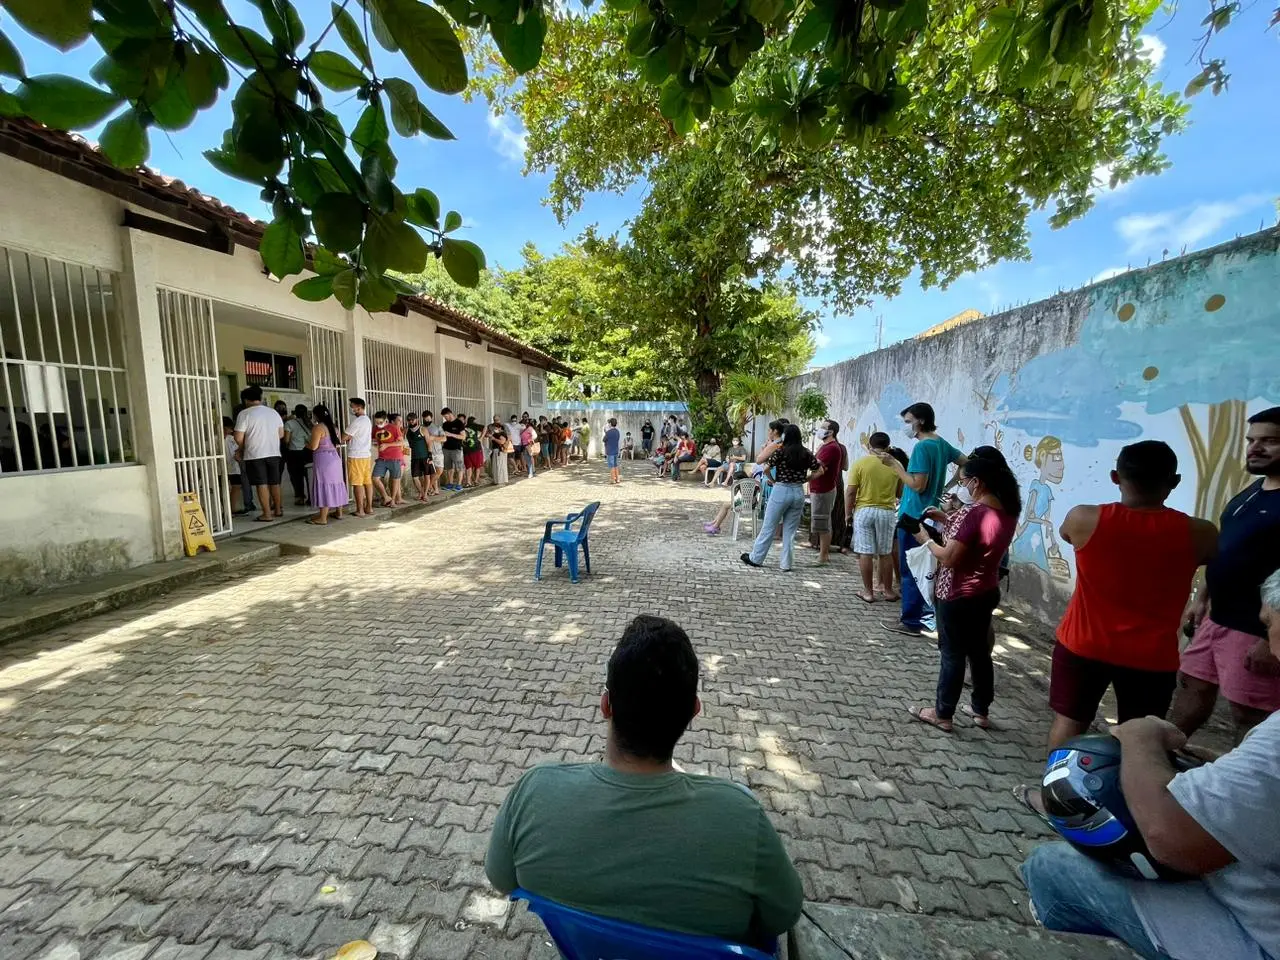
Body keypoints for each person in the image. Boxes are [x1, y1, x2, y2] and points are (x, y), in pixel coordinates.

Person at [485, 616, 803, 948]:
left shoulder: (534, 795)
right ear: (693, 712)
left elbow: (502, 878)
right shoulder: (740, 817)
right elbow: (782, 916)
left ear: (605, 705)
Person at [1020, 569, 1280, 960]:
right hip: (1146, 657)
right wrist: (1233, 764)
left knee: (1049, 865)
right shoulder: (1193, 534)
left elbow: (1172, 841)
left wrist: (1140, 735)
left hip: (1259, 939)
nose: (1268, 644)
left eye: (1269, 626)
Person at [1044, 441, 1218, 751]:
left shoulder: (1083, 519)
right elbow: (1217, 562)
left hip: (1083, 644)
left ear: (1115, 477)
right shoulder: (1200, 533)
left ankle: (1051, 797)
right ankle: (1128, 796)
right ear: (1174, 482)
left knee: (1070, 722)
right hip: (1151, 656)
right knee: (1139, 736)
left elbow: (1064, 535)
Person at [1172, 406, 1280, 744]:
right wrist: (1201, 598)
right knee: (1191, 688)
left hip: (1254, 628)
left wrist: (1269, 641)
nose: (1255, 448)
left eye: (1269, 441)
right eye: (1251, 440)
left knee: (1250, 715)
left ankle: (1246, 788)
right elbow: (1225, 549)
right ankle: (1161, 759)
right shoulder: (1252, 491)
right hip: (1216, 620)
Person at [906, 456, 1021, 732]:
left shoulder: (975, 514)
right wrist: (946, 519)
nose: (962, 485)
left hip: (958, 593)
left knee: (953, 654)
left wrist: (925, 539)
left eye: (963, 480)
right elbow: (975, 540)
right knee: (980, 653)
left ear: (977, 482)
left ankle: (943, 713)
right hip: (986, 590)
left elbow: (949, 558)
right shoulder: (1007, 511)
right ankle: (981, 709)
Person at [877, 402, 966, 636]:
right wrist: (949, 485)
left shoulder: (922, 448)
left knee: (911, 569)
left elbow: (917, 485)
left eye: (909, 421)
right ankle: (923, 616)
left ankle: (911, 621)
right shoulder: (941, 444)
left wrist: (896, 466)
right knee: (925, 568)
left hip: (913, 515)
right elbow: (966, 462)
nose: (906, 426)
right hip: (930, 513)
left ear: (921, 421)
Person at [742, 425, 824, 572]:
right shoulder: (806, 453)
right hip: (798, 491)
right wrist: (805, 479)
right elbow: (820, 470)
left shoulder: (780, 451)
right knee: (791, 530)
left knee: (769, 526)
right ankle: (786, 564)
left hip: (781, 489)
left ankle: (756, 558)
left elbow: (766, 468)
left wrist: (772, 480)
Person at [847, 431, 902, 603]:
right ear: (888, 446)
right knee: (885, 553)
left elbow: (850, 492)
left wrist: (848, 513)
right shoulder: (896, 464)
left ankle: (868, 592)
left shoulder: (861, 463)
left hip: (864, 511)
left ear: (869, 446)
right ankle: (888, 591)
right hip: (886, 512)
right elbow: (899, 492)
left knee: (866, 552)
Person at [233, 385, 285, 522]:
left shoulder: (244, 414)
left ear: (245, 400)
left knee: (261, 484)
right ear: (260, 398)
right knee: (275, 482)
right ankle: (278, 510)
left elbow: (238, 437)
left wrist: (241, 449)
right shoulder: (273, 413)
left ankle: (267, 514)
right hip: (274, 453)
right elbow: (281, 434)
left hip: (255, 454)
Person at [806, 420, 846, 565]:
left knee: (823, 523)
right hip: (819, 488)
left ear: (831, 432)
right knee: (821, 522)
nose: (820, 430)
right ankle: (823, 554)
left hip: (824, 489)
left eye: (823, 428)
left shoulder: (831, 448)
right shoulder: (826, 446)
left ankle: (823, 556)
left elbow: (818, 468)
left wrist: (804, 479)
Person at [306, 404, 347, 524]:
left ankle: (322, 518)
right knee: (336, 484)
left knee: (324, 485)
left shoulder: (318, 428)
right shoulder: (334, 427)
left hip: (323, 460)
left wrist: (305, 444)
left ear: (316, 415)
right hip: (335, 459)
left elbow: (314, 446)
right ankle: (339, 512)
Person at [343, 397, 374, 517]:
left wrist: (346, 437)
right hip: (366, 455)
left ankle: (360, 510)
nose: (351, 409)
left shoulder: (357, 422)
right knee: (367, 482)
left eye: (352, 406)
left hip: (356, 455)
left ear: (359, 407)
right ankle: (369, 508)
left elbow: (345, 437)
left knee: (357, 483)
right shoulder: (367, 420)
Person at [371, 411, 403, 508]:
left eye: (380, 422)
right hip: (381, 458)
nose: (378, 425)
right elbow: (373, 440)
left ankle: (393, 500)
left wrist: (387, 445)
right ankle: (386, 497)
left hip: (395, 457)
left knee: (395, 480)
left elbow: (401, 443)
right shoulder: (375, 429)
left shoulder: (394, 428)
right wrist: (376, 444)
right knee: (375, 478)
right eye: (376, 422)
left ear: (386, 420)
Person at [283, 403, 312, 506]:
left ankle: (300, 497)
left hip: (294, 453)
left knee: (296, 476)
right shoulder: (309, 423)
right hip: (308, 452)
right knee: (309, 475)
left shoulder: (289, 423)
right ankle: (311, 496)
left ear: (295, 412)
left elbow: (286, 440)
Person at [406, 412, 433, 501]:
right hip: (414, 457)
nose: (411, 422)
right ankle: (421, 493)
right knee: (415, 477)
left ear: (416, 419)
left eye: (412, 420)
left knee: (427, 476)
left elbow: (429, 442)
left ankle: (425, 494)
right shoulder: (407, 431)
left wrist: (430, 455)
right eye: (409, 420)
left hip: (424, 456)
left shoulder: (423, 429)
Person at [440, 407, 465, 491]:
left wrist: (451, 434)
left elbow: (463, 436)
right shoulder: (445, 424)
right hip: (446, 448)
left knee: (459, 467)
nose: (445, 418)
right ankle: (450, 483)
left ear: (450, 414)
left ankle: (459, 484)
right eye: (444, 417)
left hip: (456, 449)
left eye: (445, 416)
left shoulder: (459, 423)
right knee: (449, 467)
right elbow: (443, 435)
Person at [222, 417, 243, 514]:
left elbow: (238, 450)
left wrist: (238, 456)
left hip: (233, 466)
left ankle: (232, 508)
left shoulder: (232, 439)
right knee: (223, 488)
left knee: (236, 486)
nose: (230, 431)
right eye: (228, 429)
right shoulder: (214, 439)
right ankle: (225, 508)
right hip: (220, 468)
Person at [423, 410, 443, 496]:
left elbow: (444, 438)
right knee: (432, 472)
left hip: (438, 452)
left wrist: (433, 438)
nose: (426, 421)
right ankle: (435, 490)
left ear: (431, 418)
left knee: (439, 471)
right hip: (426, 453)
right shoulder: (421, 428)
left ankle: (428, 487)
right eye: (425, 419)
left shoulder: (437, 427)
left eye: (428, 419)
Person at [463, 415, 485, 486]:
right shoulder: (475, 425)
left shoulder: (464, 427)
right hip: (475, 448)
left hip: (467, 449)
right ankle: (475, 480)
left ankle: (468, 482)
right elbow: (485, 427)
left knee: (468, 466)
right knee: (477, 466)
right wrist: (481, 437)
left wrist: (481, 438)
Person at [487, 417, 510, 486]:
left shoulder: (501, 434)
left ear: (500, 428)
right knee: (498, 466)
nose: (495, 429)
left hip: (499, 451)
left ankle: (500, 481)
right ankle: (498, 480)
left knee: (499, 466)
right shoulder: (498, 434)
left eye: (496, 428)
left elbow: (502, 442)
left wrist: (493, 438)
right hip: (498, 450)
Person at [604, 417, 622, 485]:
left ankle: (612, 479)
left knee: (611, 466)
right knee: (615, 465)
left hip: (610, 451)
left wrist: (606, 432)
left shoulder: (608, 432)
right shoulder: (617, 431)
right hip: (616, 450)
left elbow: (604, 439)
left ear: (610, 424)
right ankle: (617, 478)